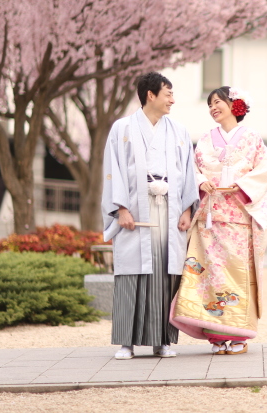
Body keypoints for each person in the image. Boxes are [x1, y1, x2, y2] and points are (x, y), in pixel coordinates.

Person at [102, 72, 199, 360]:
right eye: (168, 93)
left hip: (169, 207)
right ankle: (126, 343)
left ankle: (162, 341)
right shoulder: (121, 129)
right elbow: (113, 170)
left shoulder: (179, 131)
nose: (173, 99)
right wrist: (121, 209)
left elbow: (187, 171)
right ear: (150, 95)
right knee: (132, 272)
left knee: (165, 272)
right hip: (135, 207)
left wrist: (186, 209)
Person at [170, 86, 267, 355]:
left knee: (236, 275)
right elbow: (192, 168)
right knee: (210, 275)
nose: (213, 108)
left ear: (234, 105)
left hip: (238, 216)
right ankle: (216, 336)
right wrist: (202, 181)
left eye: (218, 102)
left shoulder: (252, 138)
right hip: (211, 218)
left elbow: (263, 169)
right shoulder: (205, 139)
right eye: (210, 104)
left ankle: (238, 336)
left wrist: (241, 186)